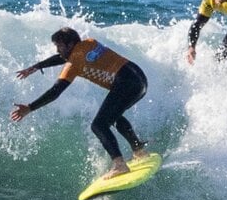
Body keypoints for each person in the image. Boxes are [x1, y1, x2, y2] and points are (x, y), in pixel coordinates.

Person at [11, 26, 151, 179]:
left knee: (99, 125)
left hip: (126, 83)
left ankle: (119, 165)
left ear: (70, 44)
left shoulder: (74, 63)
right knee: (113, 116)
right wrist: (37, 66)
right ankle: (139, 151)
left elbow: (55, 91)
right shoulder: (89, 43)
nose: (57, 50)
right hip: (139, 79)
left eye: (59, 46)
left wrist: (30, 108)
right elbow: (64, 57)